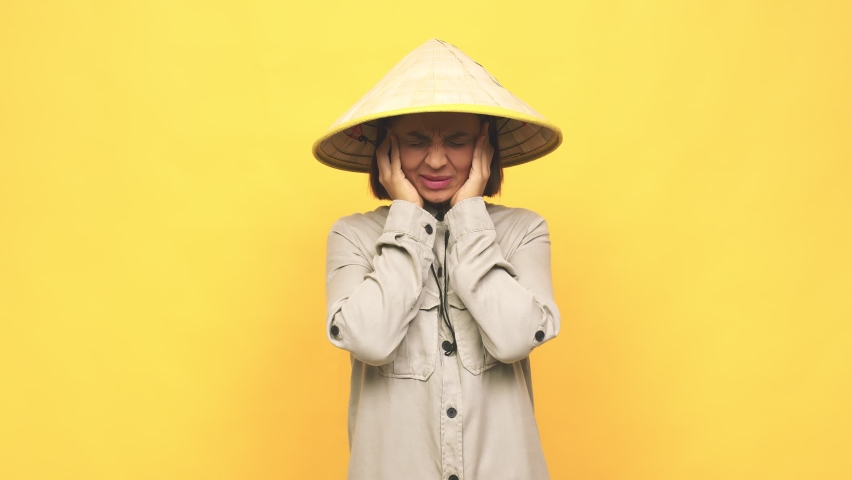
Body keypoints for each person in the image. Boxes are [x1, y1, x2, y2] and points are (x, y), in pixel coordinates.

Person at [312, 39, 563, 480]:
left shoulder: (524, 231)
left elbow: (514, 338)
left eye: (458, 140)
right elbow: (370, 340)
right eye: (415, 140)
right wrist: (406, 218)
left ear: (484, 145)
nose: (435, 159)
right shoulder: (352, 236)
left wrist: (469, 217)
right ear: (388, 147)